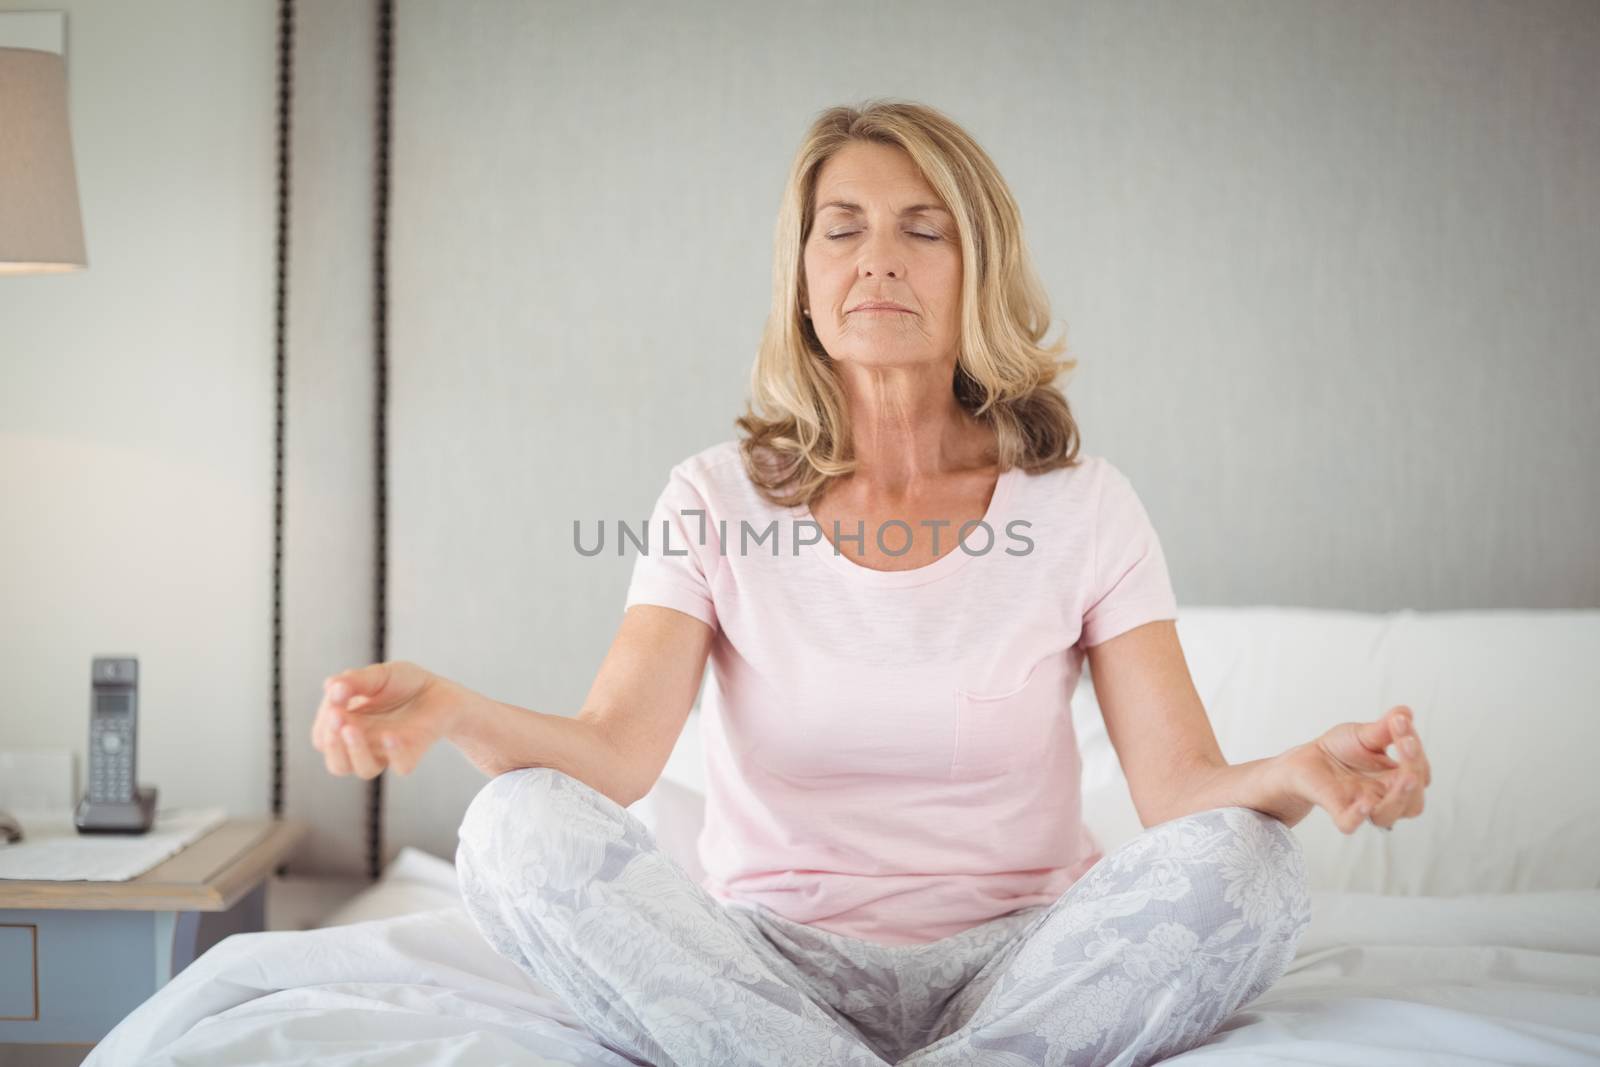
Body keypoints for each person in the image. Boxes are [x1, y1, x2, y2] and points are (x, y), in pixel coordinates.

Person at [311, 99, 1432, 1067]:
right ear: (803, 280)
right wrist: (454, 710)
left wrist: (1295, 770)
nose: (875, 259)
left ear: (975, 267)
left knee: (1252, 860)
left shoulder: (1081, 505)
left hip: (1027, 960)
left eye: (921, 229)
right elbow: (614, 752)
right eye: (839, 229)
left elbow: (1179, 792)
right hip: (767, 963)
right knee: (512, 823)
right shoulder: (712, 496)